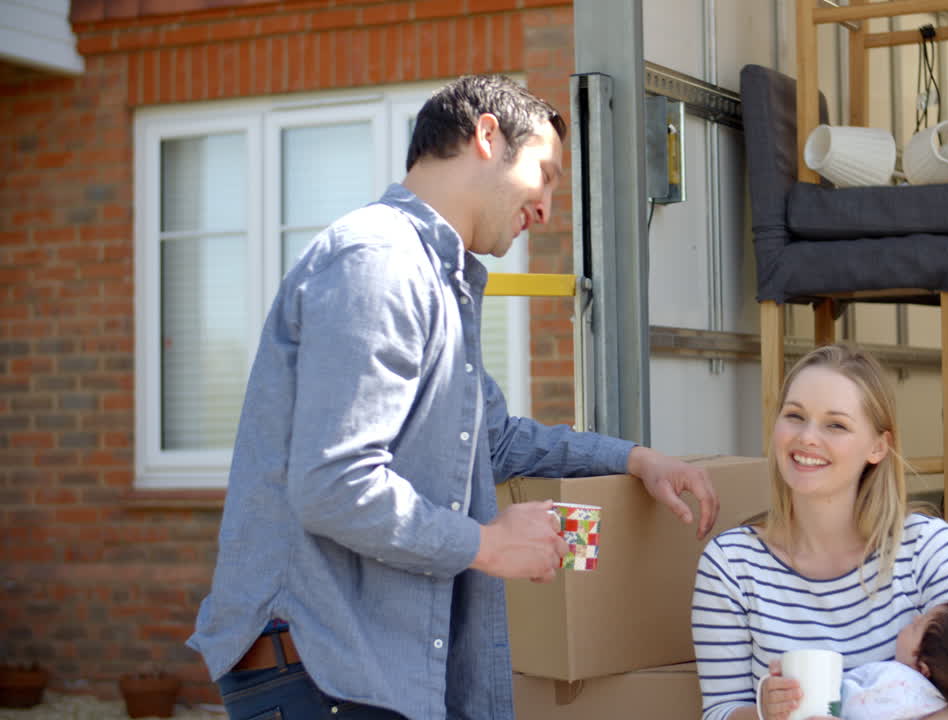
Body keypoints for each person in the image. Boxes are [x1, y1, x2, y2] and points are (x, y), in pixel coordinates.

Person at [188, 74, 720, 720]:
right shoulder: (379, 261)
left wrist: (636, 459)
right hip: (320, 670)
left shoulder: (438, 284)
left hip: (358, 671)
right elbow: (333, 481)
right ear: (488, 137)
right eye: (546, 174)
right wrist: (488, 543)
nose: (549, 207)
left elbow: (495, 439)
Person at [691, 344, 948, 720]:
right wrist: (766, 713)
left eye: (836, 425)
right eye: (795, 416)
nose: (808, 437)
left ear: (878, 446)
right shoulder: (729, 565)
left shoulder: (928, 547)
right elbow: (718, 712)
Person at [839, 599, 948, 720]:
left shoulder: (897, 682)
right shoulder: (942, 703)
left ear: (922, 668)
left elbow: (853, 704)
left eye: (916, 627)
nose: (915, 617)